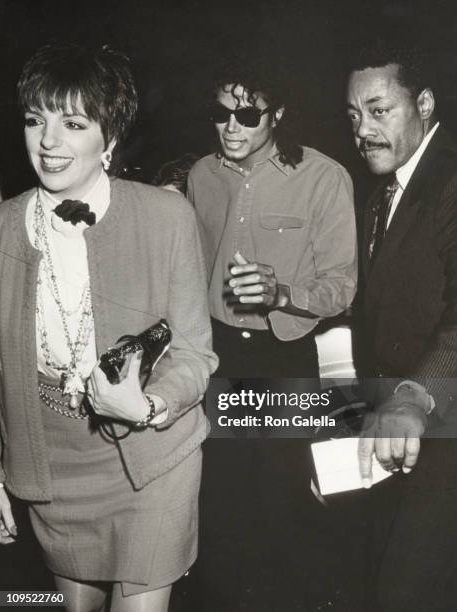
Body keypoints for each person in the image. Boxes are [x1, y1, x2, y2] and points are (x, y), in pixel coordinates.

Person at [0, 43, 217, 612]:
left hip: (150, 459)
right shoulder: (0, 228)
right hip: (51, 463)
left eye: (72, 123)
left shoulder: (167, 218)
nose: (48, 142)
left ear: (110, 137)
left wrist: (146, 405)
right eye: (35, 120)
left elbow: (194, 354)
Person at [187, 57, 357, 609]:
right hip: (215, 356)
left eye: (247, 114)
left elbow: (342, 285)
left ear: (277, 113)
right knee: (216, 504)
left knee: (281, 507)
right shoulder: (200, 176)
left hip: (284, 358)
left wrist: (282, 294)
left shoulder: (324, 177)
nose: (231, 126)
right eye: (221, 114)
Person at [346, 39, 457, 611]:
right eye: (353, 114)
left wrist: (415, 395)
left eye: (379, 109)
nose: (362, 129)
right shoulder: (378, 194)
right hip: (400, 436)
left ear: (427, 104)